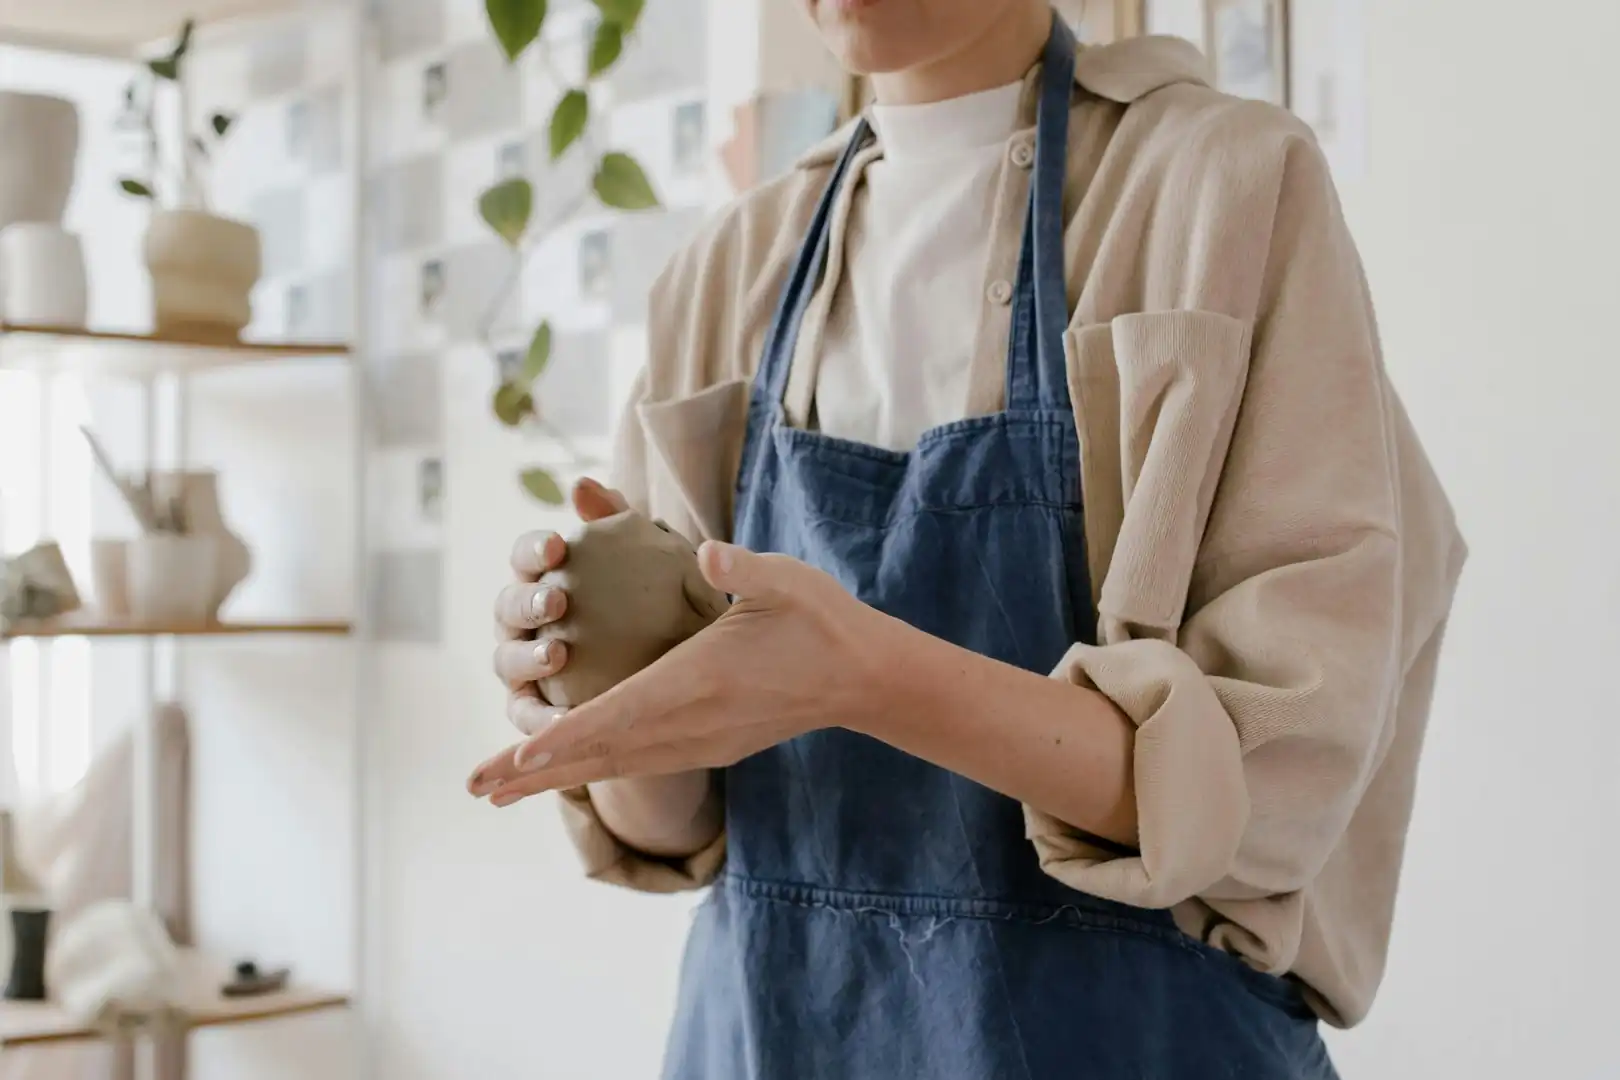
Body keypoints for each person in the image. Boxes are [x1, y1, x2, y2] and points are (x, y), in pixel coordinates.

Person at [470, 2, 1466, 1077]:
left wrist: (863, 678)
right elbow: (676, 827)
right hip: (768, 1035)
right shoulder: (726, 269)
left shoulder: (1222, 187)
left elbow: (1279, 794)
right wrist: (592, 687)